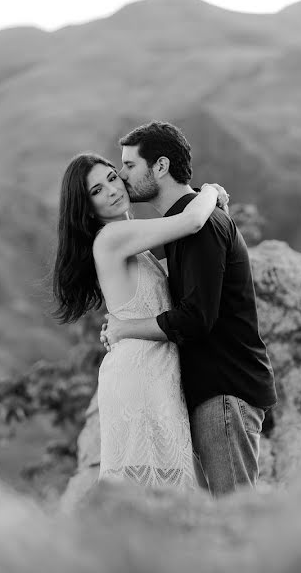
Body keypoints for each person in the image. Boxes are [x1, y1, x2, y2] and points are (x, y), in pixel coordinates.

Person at [101, 121, 277, 497]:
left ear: (160, 167)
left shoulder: (202, 229)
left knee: (235, 517)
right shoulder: (182, 227)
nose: (121, 175)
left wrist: (124, 327)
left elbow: (196, 318)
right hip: (213, 394)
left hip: (224, 394)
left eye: (130, 165)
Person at [52, 152, 227, 490]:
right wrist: (209, 191)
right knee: (151, 491)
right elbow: (191, 222)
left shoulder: (134, 242)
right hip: (139, 377)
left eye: (112, 178)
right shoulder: (112, 238)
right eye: (97, 191)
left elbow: (185, 248)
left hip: (155, 372)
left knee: (162, 489)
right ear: (86, 208)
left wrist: (120, 325)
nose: (113, 191)